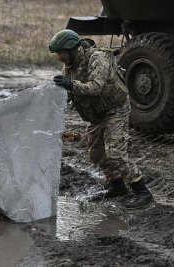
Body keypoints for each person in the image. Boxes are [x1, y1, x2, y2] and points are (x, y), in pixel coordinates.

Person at [49, 29, 153, 209]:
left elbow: (95, 88)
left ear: (72, 49)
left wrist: (71, 85)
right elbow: (70, 92)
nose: (59, 57)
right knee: (96, 153)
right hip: (96, 114)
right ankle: (118, 187)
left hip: (115, 110)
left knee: (116, 155)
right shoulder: (70, 64)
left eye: (61, 53)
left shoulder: (98, 58)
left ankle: (143, 192)